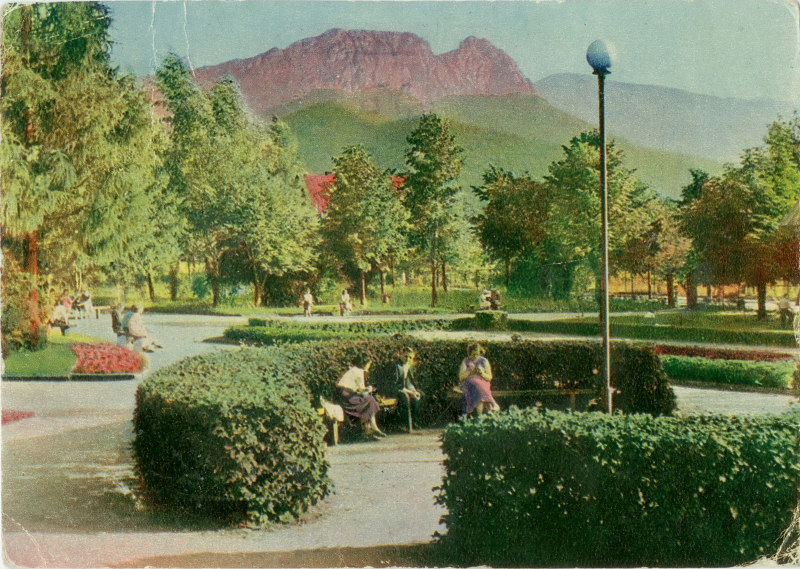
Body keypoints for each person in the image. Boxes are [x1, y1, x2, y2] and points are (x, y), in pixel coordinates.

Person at [336, 354, 385, 439]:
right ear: (365, 364)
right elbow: (362, 390)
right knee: (370, 400)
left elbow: (358, 389)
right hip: (347, 397)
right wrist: (370, 389)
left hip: (344, 395)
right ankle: (371, 428)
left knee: (369, 400)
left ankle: (370, 429)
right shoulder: (359, 372)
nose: (369, 367)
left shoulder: (354, 370)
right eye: (369, 364)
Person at [458, 343, 500, 417]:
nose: (474, 356)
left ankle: (480, 416)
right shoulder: (466, 361)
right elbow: (461, 377)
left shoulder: (484, 361)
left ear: (479, 352)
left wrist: (481, 373)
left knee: (479, 388)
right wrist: (470, 371)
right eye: (472, 354)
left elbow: (489, 377)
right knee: (477, 386)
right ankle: (492, 404)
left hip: (482, 382)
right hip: (469, 383)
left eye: (476, 354)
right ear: (469, 353)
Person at [394, 346, 423, 431]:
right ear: (400, 354)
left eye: (410, 357)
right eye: (405, 356)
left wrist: (414, 391)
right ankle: (404, 425)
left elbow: (408, 382)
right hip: (394, 389)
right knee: (405, 397)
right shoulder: (395, 365)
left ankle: (413, 422)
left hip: (403, 389)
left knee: (420, 395)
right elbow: (397, 385)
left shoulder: (408, 365)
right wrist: (410, 393)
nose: (407, 359)